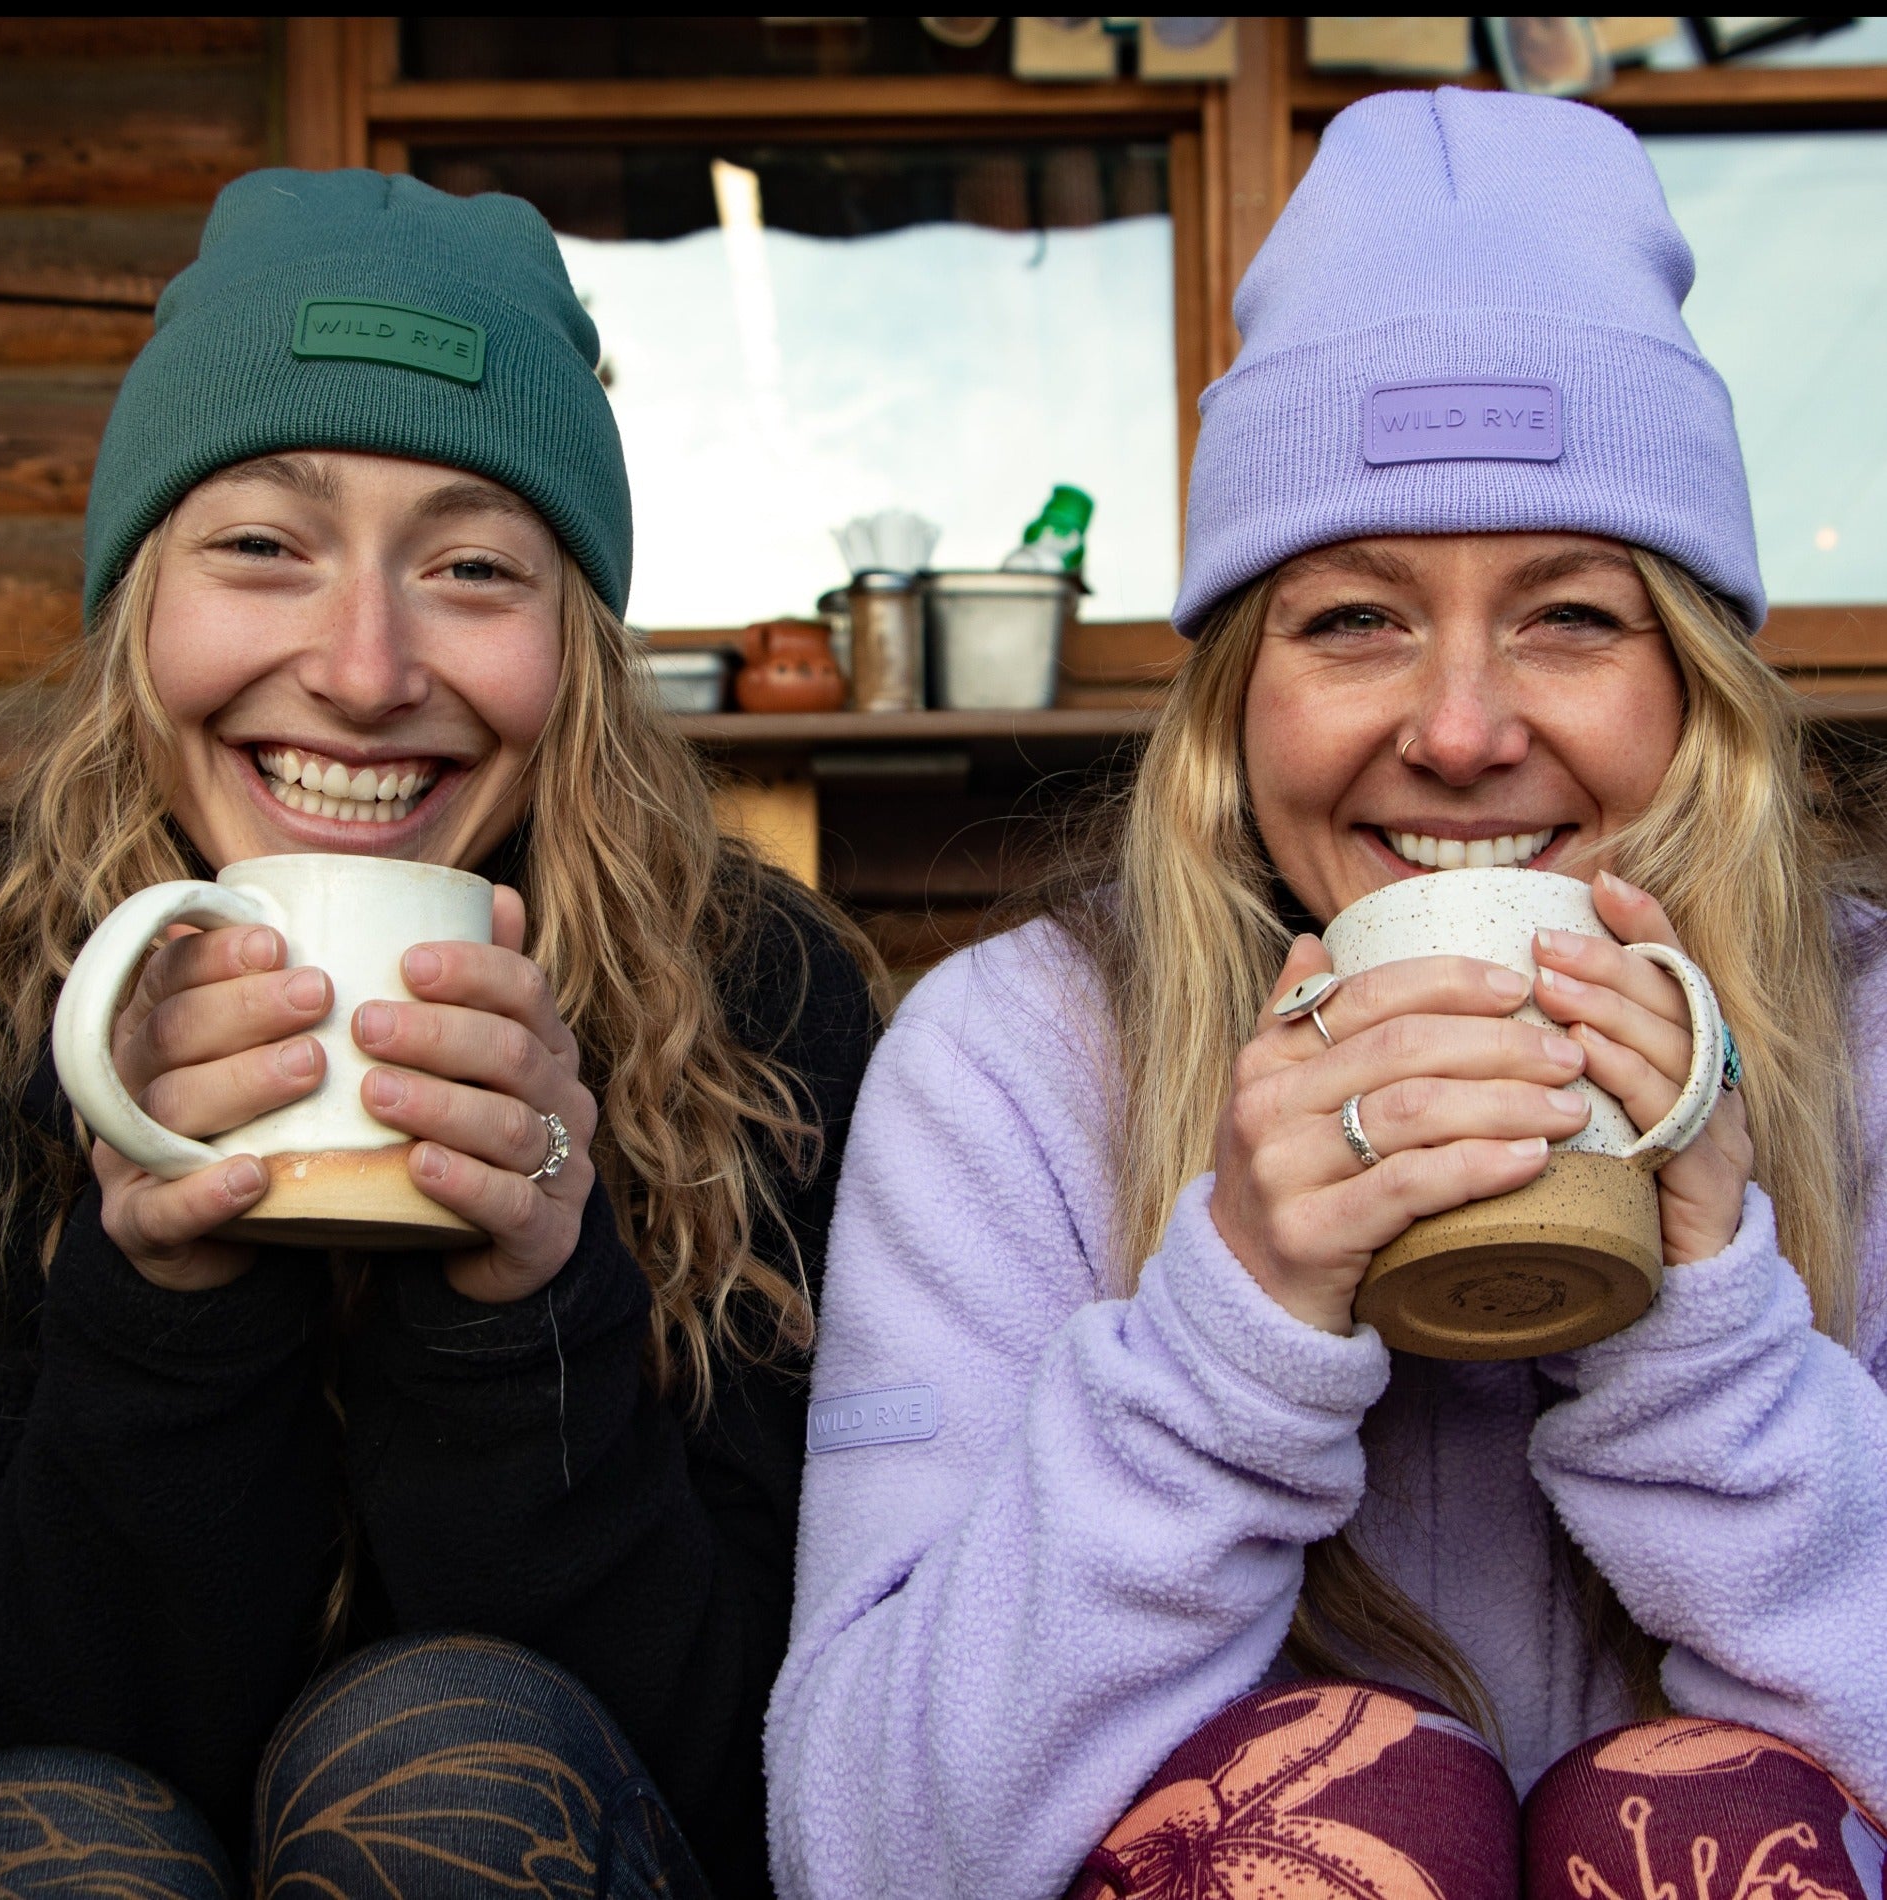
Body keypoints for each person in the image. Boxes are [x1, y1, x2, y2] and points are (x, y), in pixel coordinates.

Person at [767, 88, 1887, 1900]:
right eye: (1355, 618)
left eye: (1574, 615)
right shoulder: (1015, 1065)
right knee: (1337, 1806)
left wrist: (1709, 1340)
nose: (1457, 732)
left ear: (1695, 693)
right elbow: (865, 1854)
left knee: (1694, 1816)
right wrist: (1234, 1329)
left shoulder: (1874, 1043)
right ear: (1234, 702)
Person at [0, 169, 878, 1898]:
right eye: (261, 545)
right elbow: (50, 1735)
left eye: (474, 567)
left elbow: (749, 1788)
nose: (369, 668)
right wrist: (163, 1309)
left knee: (441, 1755)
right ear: (138, 604)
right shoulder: (1, 975)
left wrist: (526, 1304)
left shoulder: (761, 1004)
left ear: (577, 646)